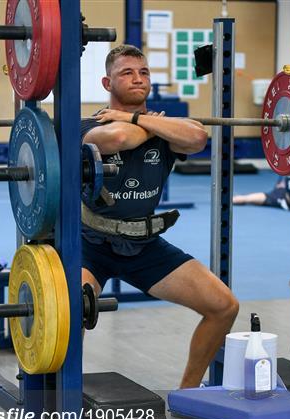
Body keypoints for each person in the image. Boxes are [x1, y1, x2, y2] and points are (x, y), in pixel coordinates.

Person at [80, 44, 239, 389]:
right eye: (127, 73)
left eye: (144, 72)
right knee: (69, 314)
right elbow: (121, 137)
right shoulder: (87, 125)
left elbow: (198, 137)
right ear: (107, 83)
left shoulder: (159, 126)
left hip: (144, 245)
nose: (138, 79)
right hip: (90, 244)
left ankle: (187, 393)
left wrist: (134, 117)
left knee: (223, 306)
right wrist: (151, 123)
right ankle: (58, 398)